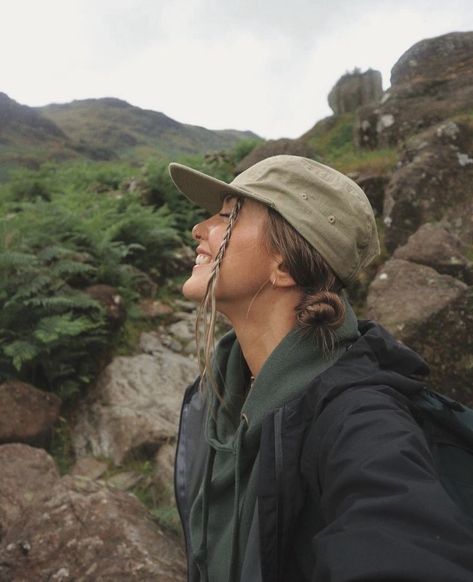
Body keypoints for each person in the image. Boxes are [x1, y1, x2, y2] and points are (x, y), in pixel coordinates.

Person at [168, 155, 473, 582]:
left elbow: (401, 540)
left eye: (226, 216)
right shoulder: (215, 399)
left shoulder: (360, 419)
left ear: (285, 265)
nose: (200, 229)